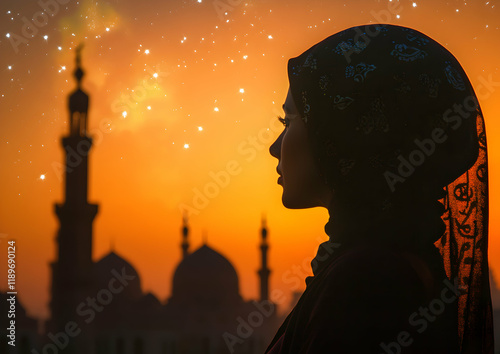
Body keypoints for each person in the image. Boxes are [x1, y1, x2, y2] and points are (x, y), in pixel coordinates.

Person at [267, 24, 493, 353]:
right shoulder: (388, 264)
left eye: (289, 122)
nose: (275, 147)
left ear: (346, 132)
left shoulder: (364, 283)